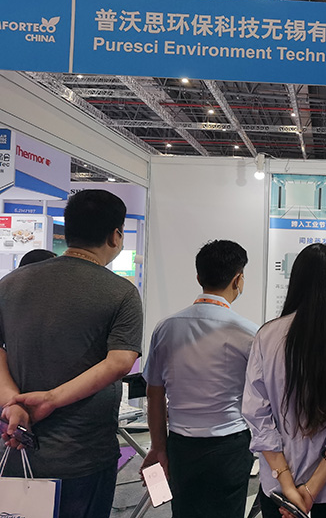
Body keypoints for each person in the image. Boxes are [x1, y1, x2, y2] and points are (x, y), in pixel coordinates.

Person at [0, 189, 143, 518]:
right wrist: (50, 400)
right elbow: (120, 361)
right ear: (116, 235)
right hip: (83, 454)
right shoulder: (120, 292)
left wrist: (12, 403)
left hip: (17, 442)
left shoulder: (11, 283)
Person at [242, 243, 326, 518]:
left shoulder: (267, 336)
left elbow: (257, 415)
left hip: (279, 488)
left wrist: (288, 486)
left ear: (296, 281)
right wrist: (310, 490)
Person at [141, 240, 259, 518]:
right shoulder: (249, 333)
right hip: (230, 446)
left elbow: (154, 393)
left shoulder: (166, 328)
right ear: (238, 280)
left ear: (198, 277)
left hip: (182, 446)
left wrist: (159, 447)